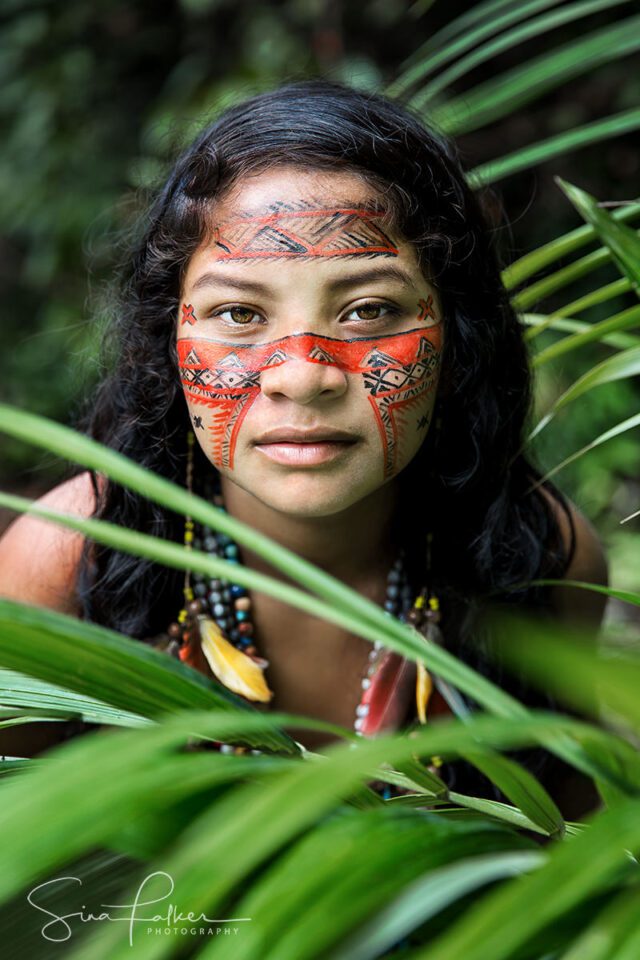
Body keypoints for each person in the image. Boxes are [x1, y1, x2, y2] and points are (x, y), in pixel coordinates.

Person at [0, 81, 607, 805]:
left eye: (369, 309)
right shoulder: (68, 563)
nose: (302, 376)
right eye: (238, 312)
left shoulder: (535, 555)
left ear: (457, 337)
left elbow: (567, 856)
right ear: (168, 340)